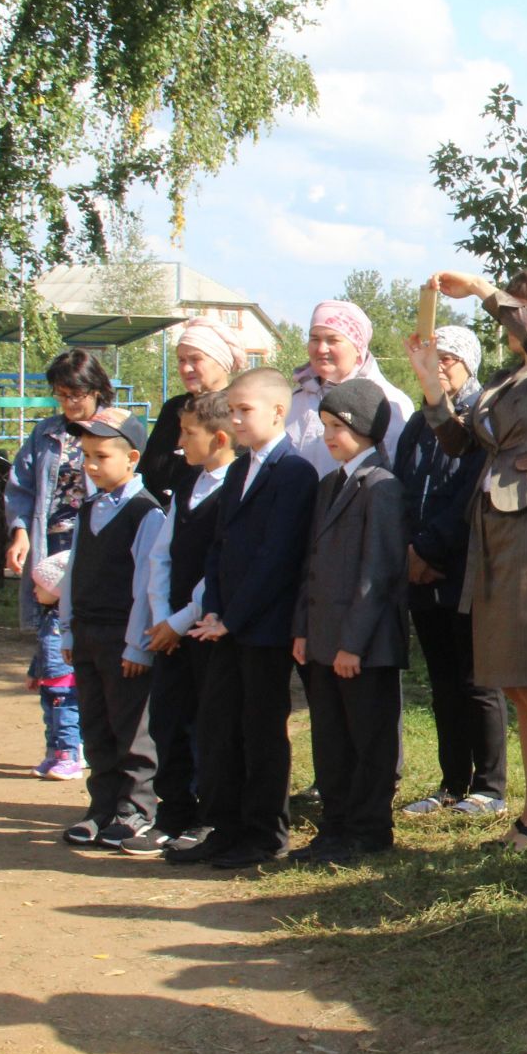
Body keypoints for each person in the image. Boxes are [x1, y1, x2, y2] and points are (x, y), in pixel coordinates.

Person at [410, 265, 527, 851]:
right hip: (494, 536)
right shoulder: (509, 379)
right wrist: (434, 394)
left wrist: (489, 293)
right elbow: (463, 443)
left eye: (522, 302)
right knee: (517, 684)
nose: (510, 312)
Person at [172, 367, 321, 869]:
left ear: (278, 412)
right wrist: (213, 606)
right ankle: (226, 825)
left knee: (260, 730)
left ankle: (264, 833)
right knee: (220, 727)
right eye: (231, 410)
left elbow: (277, 557)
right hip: (225, 624)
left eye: (244, 410)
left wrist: (232, 619)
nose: (235, 419)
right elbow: (218, 548)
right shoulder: (238, 469)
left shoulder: (294, 472)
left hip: (261, 628)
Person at [290, 379, 409, 864]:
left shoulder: (381, 486)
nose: (329, 436)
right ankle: (334, 827)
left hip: (364, 645)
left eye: (337, 427)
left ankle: (369, 829)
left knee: (368, 738)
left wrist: (352, 645)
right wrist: (301, 627)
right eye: (324, 427)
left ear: (364, 429)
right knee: (331, 738)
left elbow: (377, 574)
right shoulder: (330, 484)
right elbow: (310, 563)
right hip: (322, 638)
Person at [119, 390, 240, 858]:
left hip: (205, 626)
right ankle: (172, 814)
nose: (178, 443)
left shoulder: (235, 487)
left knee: (207, 726)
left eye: (188, 433)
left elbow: (219, 568)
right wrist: (159, 620)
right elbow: (160, 554)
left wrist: (180, 619)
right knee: (168, 720)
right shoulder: (189, 484)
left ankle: (209, 817)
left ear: (220, 437)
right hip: (170, 631)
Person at [395, 326, 505, 818]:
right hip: (419, 568)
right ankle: (451, 782)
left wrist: (432, 550)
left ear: (468, 364)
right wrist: (408, 549)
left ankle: (490, 787)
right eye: (431, 357)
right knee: (442, 683)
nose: (437, 366)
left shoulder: (483, 415)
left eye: (448, 358)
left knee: (477, 679)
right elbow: (403, 487)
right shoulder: (420, 423)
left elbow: (471, 491)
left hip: (465, 566)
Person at [57, 408, 166, 849]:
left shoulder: (147, 513)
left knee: (132, 727)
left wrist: (137, 645)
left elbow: (148, 586)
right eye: (86, 456)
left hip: (124, 638)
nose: (91, 465)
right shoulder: (88, 509)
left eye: (101, 455)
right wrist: (67, 630)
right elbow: (72, 572)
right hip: (87, 634)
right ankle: (100, 806)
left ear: (132, 457)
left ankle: (136, 807)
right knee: (95, 726)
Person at [4, 348, 113, 630]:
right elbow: (21, 487)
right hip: (50, 543)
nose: (68, 403)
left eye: (75, 394)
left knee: (83, 626)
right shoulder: (45, 432)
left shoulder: (116, 430)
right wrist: (20, 533)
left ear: (96, 389)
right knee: (51, 625)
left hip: (96, 544)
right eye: (61, 394)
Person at [286, 299, 415, 478]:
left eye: (333, 340)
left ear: (357, 347)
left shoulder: (386, 401)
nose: (322, 349)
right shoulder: (292, 400)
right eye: (315, 339)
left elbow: (393, 470)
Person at [139, 316, 245, 503]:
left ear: (221, 362)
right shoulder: (173, 409)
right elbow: (149, 469)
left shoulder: (238, 411)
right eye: (181, 360)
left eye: (196, 359)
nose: (186, 368)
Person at [27, 551, 84, 782]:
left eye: (40, 586)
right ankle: (53, 755)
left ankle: (70, 758)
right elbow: (41, 648)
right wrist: (33, 672)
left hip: (66, 679)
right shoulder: (48, 616)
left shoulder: (69, 618)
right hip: (48, 680)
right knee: (50, 721)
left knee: (66, 720)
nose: (34, 591)